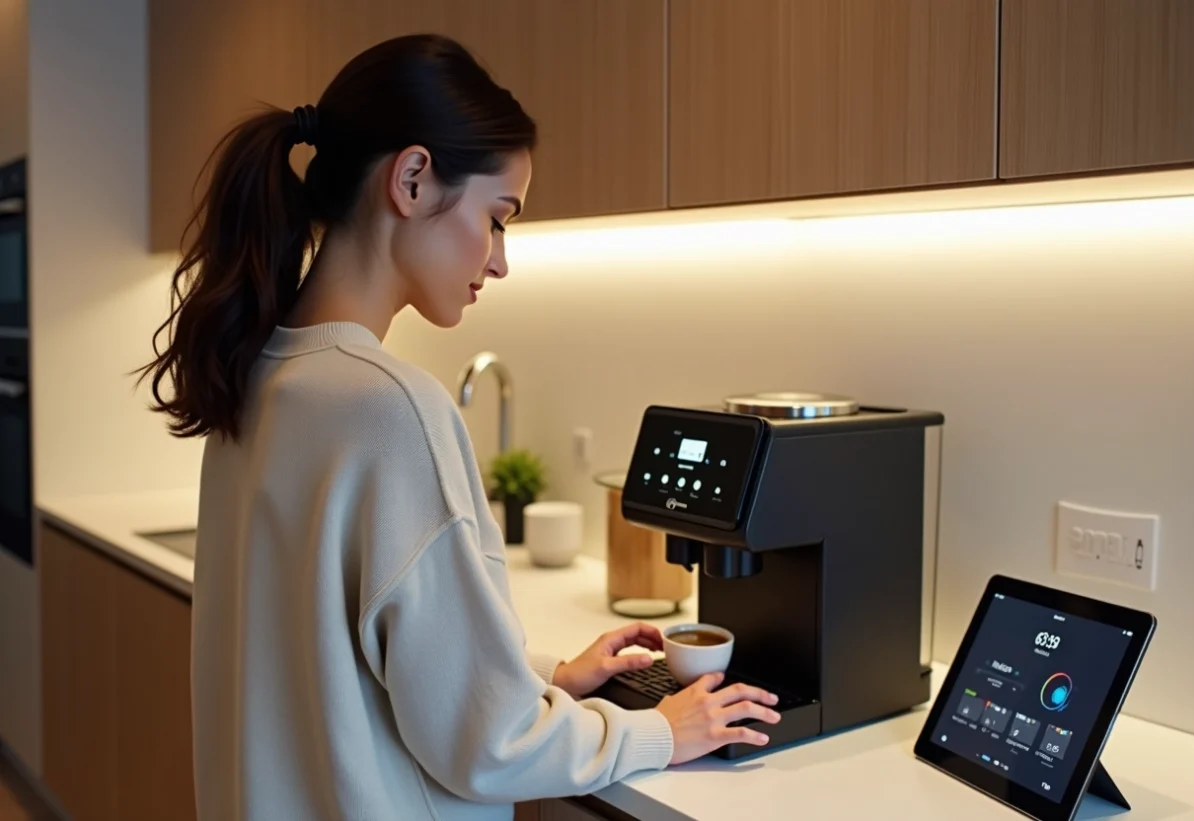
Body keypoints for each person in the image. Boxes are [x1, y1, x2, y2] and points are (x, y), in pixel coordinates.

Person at [139, 33, 780, 821]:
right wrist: (659, 730)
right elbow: (489, 744)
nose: (501, 259)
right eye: (497, 217)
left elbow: (344, 663)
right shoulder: (390, 407)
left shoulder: (255, 377)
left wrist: (541, 675)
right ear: (412, 179)